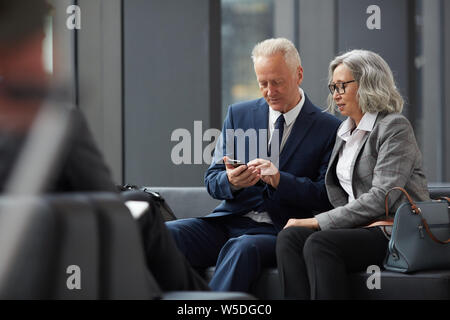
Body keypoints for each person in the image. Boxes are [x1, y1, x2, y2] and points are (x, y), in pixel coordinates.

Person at [0, 0, 209, 294]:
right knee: (144, 205)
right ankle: (202, 300)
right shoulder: (54, 122)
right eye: (44, 43)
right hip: (62, 247)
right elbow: (105, 200)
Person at [166, 38, 341, 292]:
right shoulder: (239, 114)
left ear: (298, 74)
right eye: (263, 83)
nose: (270, 91)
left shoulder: (330, 128)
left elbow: (326, 197)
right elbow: (213, 180)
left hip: (279, 231)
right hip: (229, 221)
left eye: (277, 82)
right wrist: (231, 182)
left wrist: (280, 180)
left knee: (242, 248)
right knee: (167, 234)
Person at [276, 49, 430, 299]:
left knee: (319, 243)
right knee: (289, 238)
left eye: (342, 86)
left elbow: (383, 197)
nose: (336, 94)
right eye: (333, 87)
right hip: (356, 227)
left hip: (390, 230)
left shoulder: (394, 127)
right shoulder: (344, 131)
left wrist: (318, 221)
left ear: (369, 83)